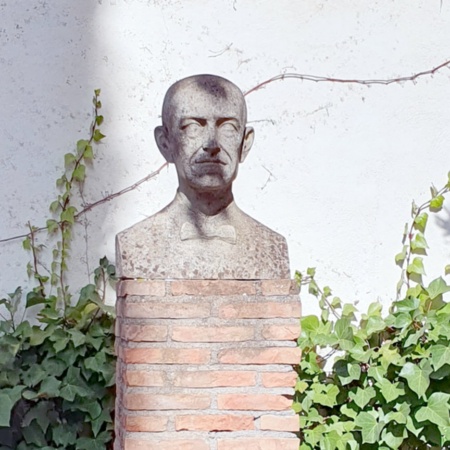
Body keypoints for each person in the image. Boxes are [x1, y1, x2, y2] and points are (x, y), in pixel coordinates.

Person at [116, 74, 290, 279]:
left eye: (228, 127)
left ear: (245, 144)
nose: (211, 144)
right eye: (193, 127)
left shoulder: (270, 248)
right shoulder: (137, 244)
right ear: (165, 143)